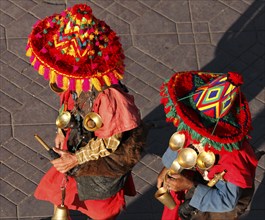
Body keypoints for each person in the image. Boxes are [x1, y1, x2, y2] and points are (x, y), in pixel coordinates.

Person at [26, 4, 147, 219]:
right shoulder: (77, 84)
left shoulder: (109, 97)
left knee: (101, 211)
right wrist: (62, 132)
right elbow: (68, 103)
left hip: (97, 164)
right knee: (60, 194)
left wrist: (75, 159)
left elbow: (111, 142)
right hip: (72, 148)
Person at [156, 71, 258, 220]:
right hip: (188, 186)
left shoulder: (232, 159)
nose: (194, 138)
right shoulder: (194, 123)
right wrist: (167, 167)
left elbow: (227, 201)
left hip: (210, 207)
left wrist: (190, 186)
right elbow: (183, 139)